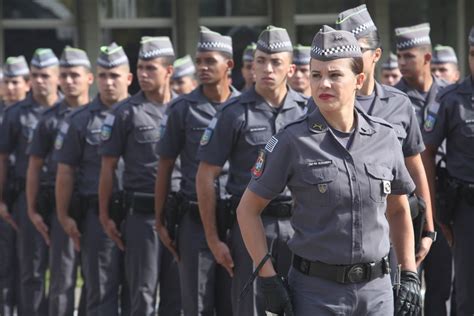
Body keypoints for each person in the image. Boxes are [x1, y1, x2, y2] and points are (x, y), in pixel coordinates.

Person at [236, 25, 421, 316]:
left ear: (358, 80)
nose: (324, 84)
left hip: (377, 293)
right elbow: (247, 210)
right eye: (316, 75)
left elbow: (399, 210)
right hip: (316, 293)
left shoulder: (385, 138)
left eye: (335, 75)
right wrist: (267, 276)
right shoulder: (292, 141)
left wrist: (409, 272)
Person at [196, 25, 308, 315]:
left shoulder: (307, 112)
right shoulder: (233, 112)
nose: (267, 68)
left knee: (303, 303)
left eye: (275, 62)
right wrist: (213, 239)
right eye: (260, 61)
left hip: (301, 228)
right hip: (251, 226)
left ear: (291, 69)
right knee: (251, 307)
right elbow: (206, 175)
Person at [335, 3, 434, 267]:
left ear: (376, 54)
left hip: (395, 227)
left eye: (357, 49)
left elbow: (416, 167)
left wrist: (428, 230)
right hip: (344, 231)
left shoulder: (399, 104)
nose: (349, 57)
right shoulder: (328, 105)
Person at [155, 26, 239, 316]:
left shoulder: (245, 107)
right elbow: (165, 165)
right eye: (199, 61)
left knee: (235, 304)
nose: (201, 67)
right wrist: (160, 220)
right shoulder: (182, 108)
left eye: (209, 61)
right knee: (196, 304)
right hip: (194, 221)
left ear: (228, 65)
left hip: (236, 221)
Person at [98, 37, 181, 316]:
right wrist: (105, 215)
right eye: (140, 68)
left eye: (151, 68)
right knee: (142, 295)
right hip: (142, 217)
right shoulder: (126, 112)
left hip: (180, 215)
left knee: (177, 295)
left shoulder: (184, 109)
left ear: (168, 71)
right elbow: (108, 168)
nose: (143, 75)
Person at [54, 43, 132, 315]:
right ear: (95, 78)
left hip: (138, 214)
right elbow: (65, 172)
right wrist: (63, 217)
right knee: (101, 290)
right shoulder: (80, 120)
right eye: (103, 76)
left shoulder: (145, 112)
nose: (108, 82)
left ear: (128, 78)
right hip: (97, 218)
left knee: (139, 291)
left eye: (115, 76)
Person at [26, 46, 92, 316]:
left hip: (96, 207)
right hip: (62, 208)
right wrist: (31, 210)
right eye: (64, 75)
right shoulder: (48, 119)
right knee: (62, 280)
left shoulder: (106, 113)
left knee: (98, 281)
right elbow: (34, 166)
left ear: (89, 78)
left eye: (74, 75)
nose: (68, 81)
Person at [394, 23, 454, 316]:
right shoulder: (391, 100)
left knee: (442, 286)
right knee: (405, 289)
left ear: (427, 58)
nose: (401, 63)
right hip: (405, 206)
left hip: (443, 202)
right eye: (399, 56)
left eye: (408, 57)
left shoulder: (448, 95)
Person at [0, 48, 61, 315]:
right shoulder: (16, 114)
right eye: (35, 75)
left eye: (45, 75)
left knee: (63, 271)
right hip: (28, 197)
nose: (39, 81)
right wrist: (2, 200)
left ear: (57, 77)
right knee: (31, 270)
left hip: (63, 197)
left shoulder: (68, 110)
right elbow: (2, 160)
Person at [421, 26, 474, 316]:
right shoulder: (452, 99)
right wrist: (436, 212)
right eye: (473, 54)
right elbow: (426, 154)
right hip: (466, 212)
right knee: (466, 294)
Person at [0, 54, 30, 316]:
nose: (10, 88)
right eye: (6, 82)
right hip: (5, 201)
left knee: (27, 267)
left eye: (15, 82)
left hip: (21, 199)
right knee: (5, 268)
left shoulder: (36, 114)